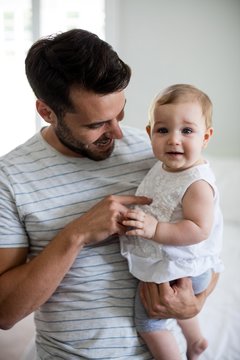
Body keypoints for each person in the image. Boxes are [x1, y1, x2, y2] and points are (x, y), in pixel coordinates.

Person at [0, 29, 219, 359]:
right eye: (96, 124)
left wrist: (196, 303)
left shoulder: (159, 152)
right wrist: (77, 234)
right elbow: (5, 312)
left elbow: (209, 243)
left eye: (120, 113)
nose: (118, 133)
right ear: (46, 112)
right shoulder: (10, 177)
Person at [121, 84, 223, 360]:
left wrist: (155, 229)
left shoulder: (197, 183)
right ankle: (195, 339)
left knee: (148, 322)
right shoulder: (163, 166)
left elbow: (199, 229)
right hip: (176, 262)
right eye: (163, 130)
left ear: (206, 137)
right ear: (149, 133)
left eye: (187, 131)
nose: (174, 140)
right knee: (175, 307)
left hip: (185, 264)